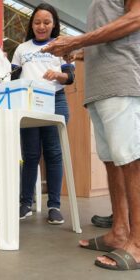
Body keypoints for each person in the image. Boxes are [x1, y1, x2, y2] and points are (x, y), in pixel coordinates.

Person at [42, 0, 140, 271]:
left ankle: (139, 242)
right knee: (112, 159)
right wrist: (83, 50)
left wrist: (77, 41)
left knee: (131, 158)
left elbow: (136, 19)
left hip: (123, 80)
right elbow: (111, 35)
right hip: (101, 86)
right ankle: (120, 231)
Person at [11, 3, 75, 225]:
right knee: (29, 155)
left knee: (53, 154)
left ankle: (54, 206)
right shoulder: (21, 49)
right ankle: (25, 203)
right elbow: (12, 77)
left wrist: (58, 75)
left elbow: (70, 77)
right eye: (37, 22)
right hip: (28, 103)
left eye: (46, 22)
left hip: (55, 101)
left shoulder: (61, 46)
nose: (41, 26)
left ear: (54, 24)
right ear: (31, 24)